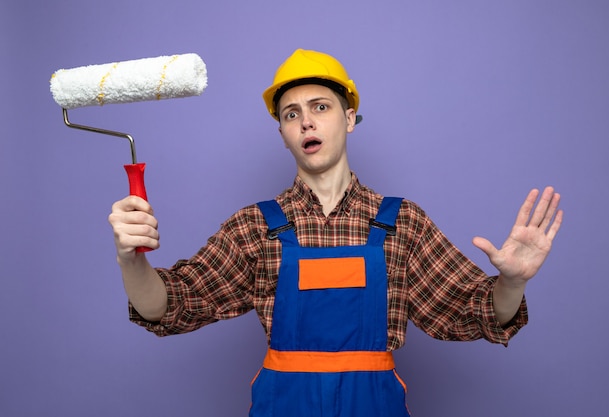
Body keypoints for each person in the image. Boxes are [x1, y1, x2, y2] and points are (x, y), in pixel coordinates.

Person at [109, 49, 563, 416]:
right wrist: (132, 261)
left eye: (320, 107)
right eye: (291, 114)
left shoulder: (401, 223)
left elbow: (476, 311)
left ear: (348, 119)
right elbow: (171, 306)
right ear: (283, 134)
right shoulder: (255, 227)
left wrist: (512, 282)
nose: (306, 121)